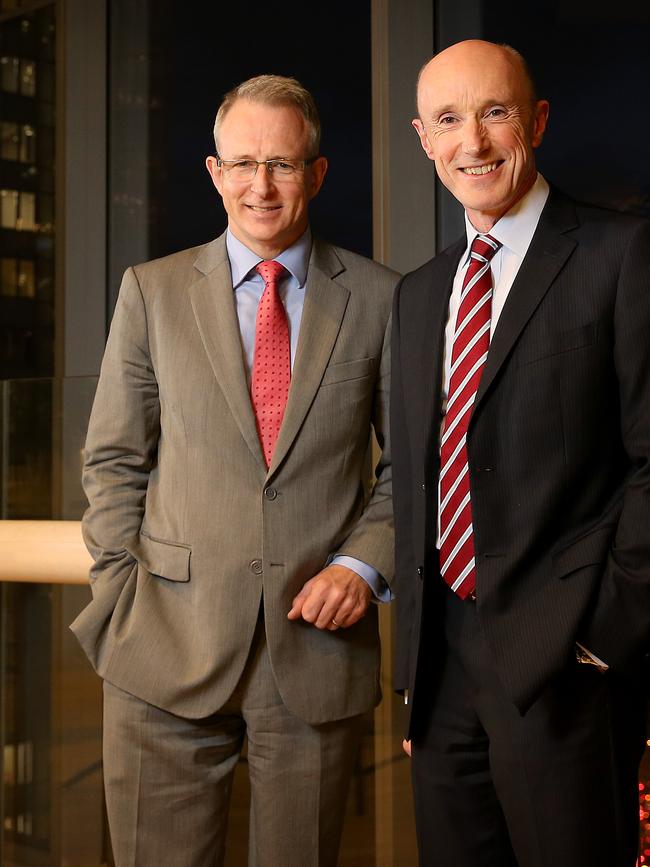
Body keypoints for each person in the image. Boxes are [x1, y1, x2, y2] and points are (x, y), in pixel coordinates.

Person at [71, 74, 398, 867]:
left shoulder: (383, 299)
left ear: (316, 174)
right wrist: (120, 593)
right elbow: (114, 459)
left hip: (316, 652)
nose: (262, 185)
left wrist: (363, 563)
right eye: (243, 163)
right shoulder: (149, 292)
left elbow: (413, 468)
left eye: (283, 164)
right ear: (214, 173)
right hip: (162, 646)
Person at [391, 39, 649, 867]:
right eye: (449, 120)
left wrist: (600, 638)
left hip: (567, 665)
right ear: (423, 140)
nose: (474, 141)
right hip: (442, 676)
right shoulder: (420, 292)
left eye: (495, 112)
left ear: (535, 120)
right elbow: (414, 477)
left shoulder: (621, 255)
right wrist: (415, 681)